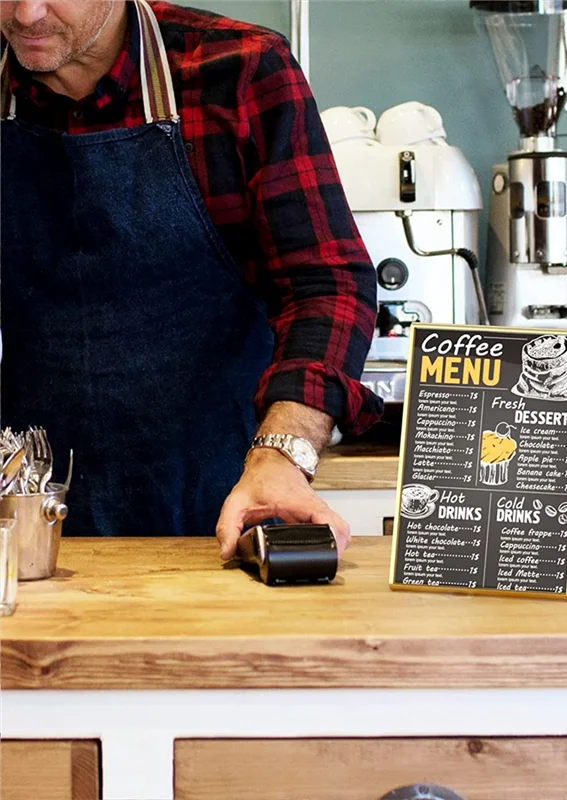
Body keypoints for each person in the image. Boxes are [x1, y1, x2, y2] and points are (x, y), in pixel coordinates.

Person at [0, 0, 382, 558]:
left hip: (226, 501)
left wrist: (282, 454)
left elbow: (325, 284)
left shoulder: (240, 69)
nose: (27, 14)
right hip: (28, 512)